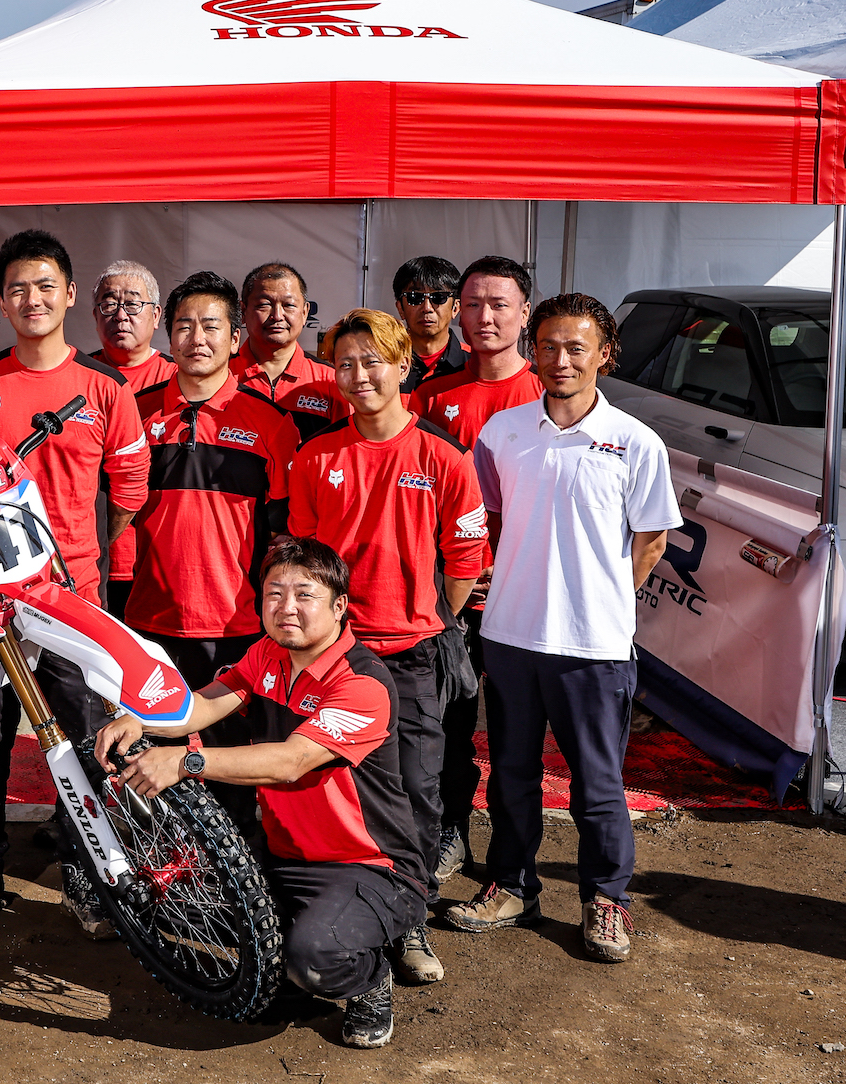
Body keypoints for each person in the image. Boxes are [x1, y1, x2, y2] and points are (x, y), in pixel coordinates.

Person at [95, 538, 428, 1051]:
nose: (286, 607)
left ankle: (371, 977)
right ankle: (321, 941)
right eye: (274, 593)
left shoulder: (363, 683)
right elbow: (203, 705)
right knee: (199, 912)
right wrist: (142, 719)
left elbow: (291, 762)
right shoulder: (269, 652)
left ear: (339, 606)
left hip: (370, 866)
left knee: (312, 958)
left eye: (304, 594)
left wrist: (184, 761)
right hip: (285, 855)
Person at [445, 295, 679, 963]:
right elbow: (482, 520)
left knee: (596, 785)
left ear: (606, 353)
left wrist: (603, 605)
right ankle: (512, 885)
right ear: (534, 349)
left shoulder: (636, 441)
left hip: (594, 649)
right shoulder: (504, 432)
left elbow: (652, 540)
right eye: (547, 346)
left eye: (576, 347)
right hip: (512, 638)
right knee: (510, 776)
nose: (560, 360)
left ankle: (607, 899)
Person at [0, 229, 148, 936]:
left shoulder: (105, 387)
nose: (32, 299)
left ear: (67, 293)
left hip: (74, 593)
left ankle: (83, 861)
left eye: (45, 286)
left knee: (85, 735)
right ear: (2, 298)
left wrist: (80, 555)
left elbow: (127, 491)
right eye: (18, 288)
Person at [288, 307, 484, 987]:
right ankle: (341, 912)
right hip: (334, 657)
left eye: (374, 360)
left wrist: (428, 621)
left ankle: (410, 919)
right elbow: (307, 562)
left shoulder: (444, 455)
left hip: (414, 654)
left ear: (404, 366)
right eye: (345, 362)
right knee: (337, 788)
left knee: (416, 792)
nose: (359, 374)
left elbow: (464, 560)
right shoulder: (316, 456)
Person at [127, 271, 298, 830]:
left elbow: (283, 534)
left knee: (232, 763)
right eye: (183, 326)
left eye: (211, 326)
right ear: (167, 336)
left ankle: (239, 879)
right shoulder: (135, 411)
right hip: (148, 620)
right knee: (141, 763)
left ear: (233, 337)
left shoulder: (271, 423)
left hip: (237, 623)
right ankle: (155, 878)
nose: (197, 338)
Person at [409, 255, 541, 885]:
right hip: (451, 598)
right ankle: (450, 833)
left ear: (524, 314)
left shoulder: (551, 395)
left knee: (517, 738)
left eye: (499, 304)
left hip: (524, 601)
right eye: (473, 304)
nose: (485, 317)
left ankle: (513, 866)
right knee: (449, 727)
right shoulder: (427, 398)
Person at [87, 260, 178, 617]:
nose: (120, 315)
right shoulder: (80, 375)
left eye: (133, 304)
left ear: (156, 315)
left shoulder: (178, 380)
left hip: (157, 564)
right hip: (92, 564)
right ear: (94, 315)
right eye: (109, 304)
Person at [235, 262, 344, 443]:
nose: (277, 316)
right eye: (264, 304)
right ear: (243, 311)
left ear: (305, 312)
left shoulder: (330, 381)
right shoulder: (220, 374)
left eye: (288, 305)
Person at [392, 256, 469, 394]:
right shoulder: (383, 364)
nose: (427, 308)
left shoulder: (475, 364)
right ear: (400, 308)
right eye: (415, 297)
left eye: (439, 297)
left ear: (456, 308)